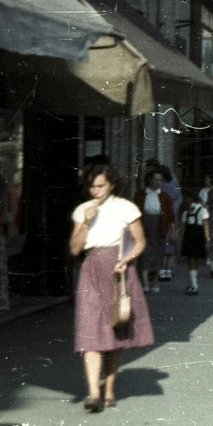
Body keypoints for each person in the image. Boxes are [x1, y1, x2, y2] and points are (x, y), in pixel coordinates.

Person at [69, 163, 155, 411]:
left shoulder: (125, 208)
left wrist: (127, 260)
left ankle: (109, 389)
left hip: (118, 270)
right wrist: (85, 223)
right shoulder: (82, 210)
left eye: (101, 186)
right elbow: (75, 249)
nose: (95, 191)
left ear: (111, 184)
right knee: (89, 330)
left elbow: (140, 242)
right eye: (92, 187)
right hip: (91, 269)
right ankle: (94, 393)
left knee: (116, 329)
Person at [138, 169, 173, 293]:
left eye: (160, 180)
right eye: (156, 179)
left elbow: (170, 216)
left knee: (158, 254)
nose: (158, 182)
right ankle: (145, 283)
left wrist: (172, 232)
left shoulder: (165, 196)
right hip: (144, 226)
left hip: (159, 226)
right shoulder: (141, 194)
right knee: (144, 254)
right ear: (149, 180)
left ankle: (155, 282)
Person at [178, 189, 210, 294]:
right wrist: (207, 240)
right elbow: (205, 226)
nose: (185, 201)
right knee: (195, 260)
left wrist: (207, 240)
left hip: (191, 237)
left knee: (192, 260)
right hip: (197, 237)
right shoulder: (200, 210)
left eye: (186, 199)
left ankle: (194, 285)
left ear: (189, 198)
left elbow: (205, 226)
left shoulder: (189, 212)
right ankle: (193, 284)